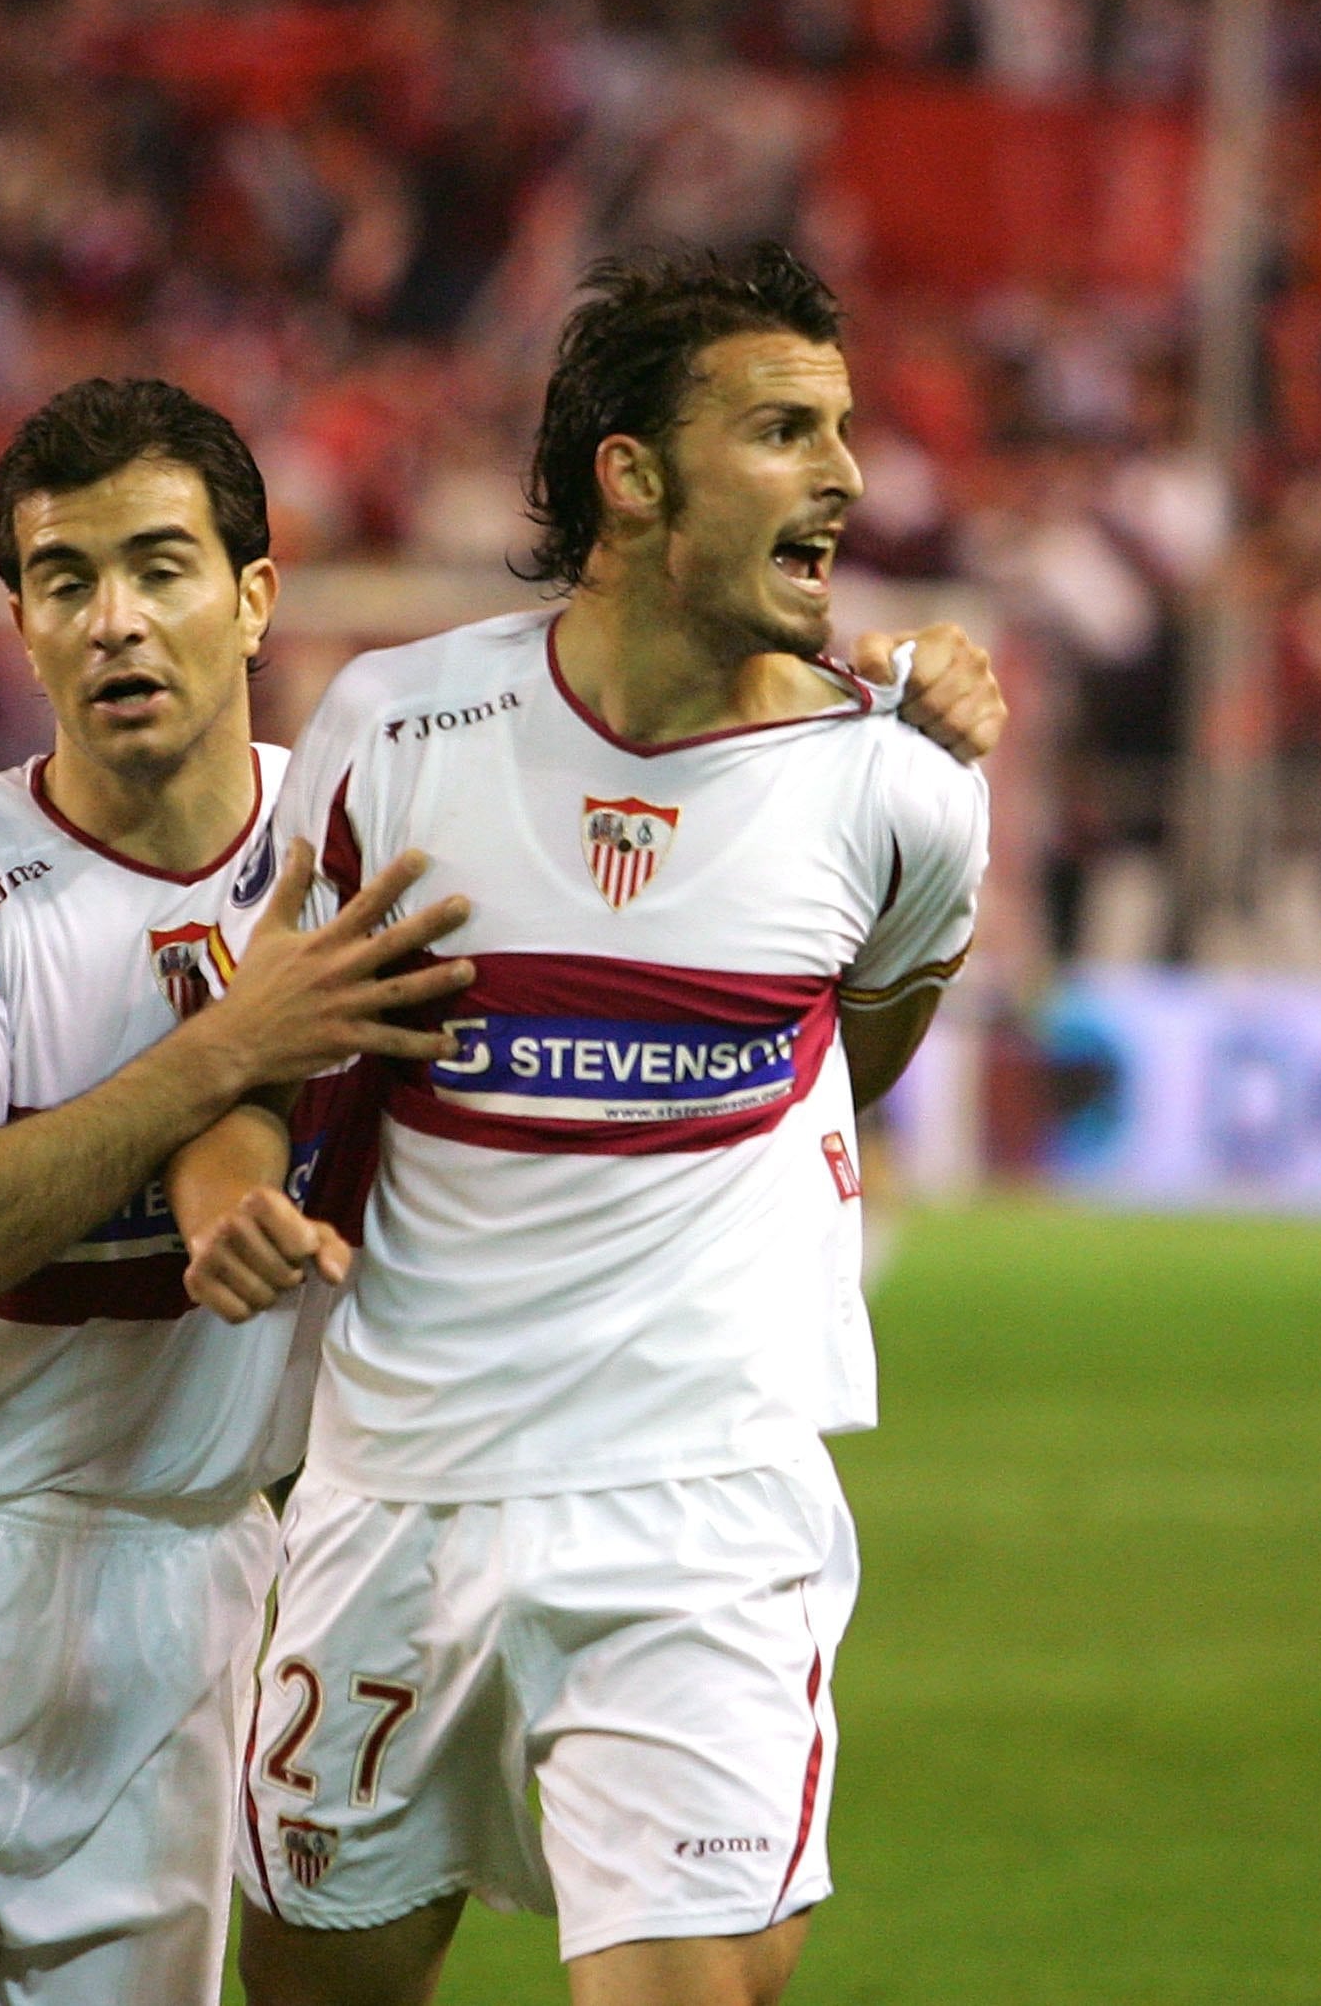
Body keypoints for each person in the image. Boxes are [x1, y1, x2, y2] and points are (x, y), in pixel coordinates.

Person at [0, 375, 1002, 2006]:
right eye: (65, 581)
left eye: (163, 567)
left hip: (194, 1590)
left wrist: (868, 699)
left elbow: (662, 826)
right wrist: (223, 1054)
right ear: (20, 625)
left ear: (256, 598)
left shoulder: (379, 820)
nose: (117, 622)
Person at [162, 241, 993, 2006]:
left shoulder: (900, 794)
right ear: (632, 474)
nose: (845, 475)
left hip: (696, 1506)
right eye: (784, 429)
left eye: (843, 430)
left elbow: (857, 1060)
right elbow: (250, 1068)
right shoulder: (400, 729)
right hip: (397, 1496)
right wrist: (230, 1193)